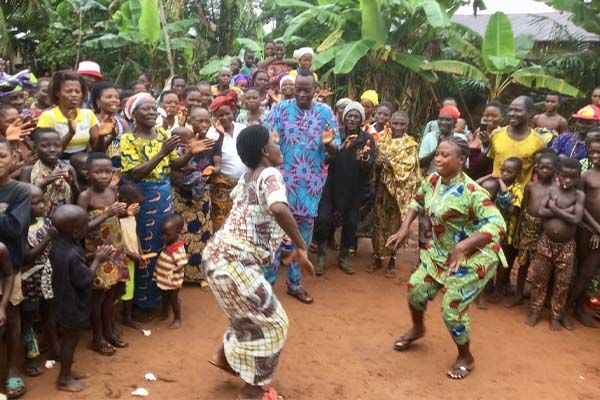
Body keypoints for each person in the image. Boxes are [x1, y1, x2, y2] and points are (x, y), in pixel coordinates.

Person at [203, 125, 316, 400]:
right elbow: (278, 207)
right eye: (275, 142)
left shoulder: (248, 177)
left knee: (246, 315)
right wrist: (302, 245)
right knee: (275, 323)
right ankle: (253, 391)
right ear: (265, 150)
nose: (279, 147)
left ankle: (225, 358)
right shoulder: (270, 174)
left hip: (216, 258)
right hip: (235, 263)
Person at [387, 137, 506, 380]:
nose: (438, 159)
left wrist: (464, 246)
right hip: (440, 252)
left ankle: (466, 357)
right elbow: (417, 201)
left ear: (461, 160)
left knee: (451, 309)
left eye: (444, 155)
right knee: (415, 289)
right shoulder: (433, 180)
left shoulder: (473, 192)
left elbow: (498, 225)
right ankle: (418, 328)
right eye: (437, 154)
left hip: (474, 259)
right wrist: (403, 229)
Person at [264, 71, 339, 304]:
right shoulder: (280, 109)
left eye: (308, 90)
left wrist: (329, 146)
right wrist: (271, 140)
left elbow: (335, 148)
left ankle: (294, 284)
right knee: (275, 235)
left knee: (302, 235)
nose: (303, 94)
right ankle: (267, 286)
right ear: (293, 88)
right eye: (299, 89)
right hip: (281, 182)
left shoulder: (325, 113)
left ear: (315, 89)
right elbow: (266, 138)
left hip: (311, 184)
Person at [120, 92, 182, 313]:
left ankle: (161, 297)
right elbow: (135, 174)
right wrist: (162, 152)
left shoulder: (163, 132)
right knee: (145, 247)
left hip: (164, 194)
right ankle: (142, 301)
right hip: (143, 197)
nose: (152, 112)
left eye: (154, 109)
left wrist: (191, 153)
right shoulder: (128, 139)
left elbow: (175, 163)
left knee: (163, 243)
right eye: (145, 109)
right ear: (133, 114)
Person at [50, 204, 113, 392]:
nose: (89, 228)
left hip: (61, 300)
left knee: (70, 339)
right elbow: (85, 279)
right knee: (71, 340)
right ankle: (64, 379)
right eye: (86, 226)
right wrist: (97, 260)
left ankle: (68, 371)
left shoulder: (61, 244)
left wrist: (93, 255)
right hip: (72, 305)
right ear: (76, 232)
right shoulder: (70, 253)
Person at [313, 102, 375, 275]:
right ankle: (321, 255)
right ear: (344, 118)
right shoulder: (335, 135)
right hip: (331, 184)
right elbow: (324, 159)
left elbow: (369, 165)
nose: (352, 119)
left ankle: (344, 257)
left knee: (350, 223)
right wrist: (335, 149)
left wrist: (364, 161)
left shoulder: (367, 140)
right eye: (349, 115)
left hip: (354, 188)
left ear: (362, 119)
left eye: (356, 116)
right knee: (323, 219)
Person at [77, 152, 129, 355]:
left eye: (107, 171)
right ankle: (97, 338)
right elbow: (81, 229)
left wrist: (123, 211)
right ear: (87, 174)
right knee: (97, 298)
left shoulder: (113, 191)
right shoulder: (85, 196)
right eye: (98, 172)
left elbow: (116, 220)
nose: (103, 176)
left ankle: (108, 331)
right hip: (97, 254)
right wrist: (106, 213)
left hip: (116, 250)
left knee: (112, 295)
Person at [526, 158, 584, 331]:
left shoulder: (579, 195)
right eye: (565, 176)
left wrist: (556, 209)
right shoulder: (552, 190)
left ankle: (556, 316)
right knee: (539, 278)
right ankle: (535, 311)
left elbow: (577, 218)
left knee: (562, 283)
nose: (568, 180)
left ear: (578, 177)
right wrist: (566, 211)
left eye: (572, 177)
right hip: (546, 242)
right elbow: (541, 211)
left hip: (566, 246)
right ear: (558, 175)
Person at [368, 111, 420, 277]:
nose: (398, 127)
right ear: (390, 123)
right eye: (395, 123)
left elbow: (409, 169)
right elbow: (374, 163)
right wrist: (377, 163)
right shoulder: (382, 142)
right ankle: (378, 256)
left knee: (395, 225)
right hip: (381, 190)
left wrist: (389, 164)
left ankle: (392, 259)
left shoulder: (411, 146)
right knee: (378, 223)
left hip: (399, 194)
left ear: (407, 125)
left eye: (402, 124)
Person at [170, 118, 221, 286]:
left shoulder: (209, 143)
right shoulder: (176, 150)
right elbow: (175, 169)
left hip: (200, 200)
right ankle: (181, 274)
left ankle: (200, 275)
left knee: (202, 237)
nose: (193, 139)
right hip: (181, 197)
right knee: (181, 235)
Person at [0, 136, 32, 398]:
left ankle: (12, 370)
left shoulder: (20, 191)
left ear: (13, 159)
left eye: (1, 156)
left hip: (9, 267)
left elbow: (14, 228)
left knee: (10, 316)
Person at [505, 151, 558, 308]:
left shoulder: (556, 189)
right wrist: (516, 233)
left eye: (549, 168)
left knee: (544, 266)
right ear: (536, 168)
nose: (544, 171)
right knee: (523, 263)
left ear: (555, 169)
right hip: (527, 228)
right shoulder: (530, 186)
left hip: (545, 230)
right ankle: (519, 293)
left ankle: (540, 298)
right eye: (541, 168)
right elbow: (523, 210)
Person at [20, 184, 59, 377]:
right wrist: (47, 239)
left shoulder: (45, 222)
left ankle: (54, 349)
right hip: (28, 283)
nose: (41, 205)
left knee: (48, 314)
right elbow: (27, 257)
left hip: (47, 278)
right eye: (34, 202)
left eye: (42, 200)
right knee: (28, 320)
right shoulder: (18, 228)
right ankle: (30, 358)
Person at [563, 137, 600, 328]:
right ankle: (566, 310)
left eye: (599, 152)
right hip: (586, 228)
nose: (595, 156)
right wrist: (597, 229)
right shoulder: (586, 176)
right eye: (592, 152)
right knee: (583, 270)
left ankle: (577, 308)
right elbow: (582, 206)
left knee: (588, 271)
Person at [476, 157, 523, 304]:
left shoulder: (518, 189)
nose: (504, 174)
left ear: (518, 173)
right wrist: (490, 176)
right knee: (487, 257)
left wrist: (501, 182)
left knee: (502, 260)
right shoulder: (493, 183)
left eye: (509, 171)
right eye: (503, 170)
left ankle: (498, 289)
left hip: (507, 229)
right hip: (490, 228)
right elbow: (474, 185)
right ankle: (485, 289)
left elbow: (510, 207)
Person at [481, 96, 545, 189]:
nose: (511, 113)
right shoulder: (496, 134)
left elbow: (539, 173)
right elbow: (488, 163)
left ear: (530, 113)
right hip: (494, 191)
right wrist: (485, 145)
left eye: (517, 110)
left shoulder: (538, 142)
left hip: (519, 197)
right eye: (510, 110)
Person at [37, 70, 100, 158]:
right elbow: (48, 153)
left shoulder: (88, 114)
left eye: (77, 91)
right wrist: (70, 134)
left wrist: (106, 135)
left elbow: (96, 148)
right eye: (68, 91)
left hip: (83, 164)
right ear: (57, 93)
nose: (74, 95)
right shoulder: (48, 116)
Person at [207, 92, 247, 231]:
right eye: (220, 115)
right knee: (223, 223)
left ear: (233, 113)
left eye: (227, 114)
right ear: (215, 117)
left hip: (243, 184)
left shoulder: (243, 129)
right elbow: (211, 157)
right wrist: (221, 135)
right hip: (223, 187)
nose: (225, 118)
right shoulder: (211, 134)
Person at [20, 128, 78, 216]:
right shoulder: (28, 171)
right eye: (45, 146)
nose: (52, 149)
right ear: (35, 148)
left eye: (57, 146)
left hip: (65, 220)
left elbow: (77, 199)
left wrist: (72, 184)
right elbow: (23, 201)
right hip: (38, 222)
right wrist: (45, 182)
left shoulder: (68, 169)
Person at [117, 182, 145, 330]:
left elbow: (135, 235)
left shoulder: (131, 216)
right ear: (125, 202)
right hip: (120, 260)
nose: (138, 209)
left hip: (132, 259)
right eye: (136, 205)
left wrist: (140, 252)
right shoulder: (117, 219)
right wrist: (132, 254)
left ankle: (126, 317)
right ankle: (115, 319)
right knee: (117, 290)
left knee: (129, 287)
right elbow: (116, 244)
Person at [155, 214, 186, 329]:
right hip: (164, 278)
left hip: (173, 280)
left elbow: (182, 263)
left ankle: (177, 318)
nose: (164, 237)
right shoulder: (169, 241)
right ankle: (164, 313)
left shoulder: (178, 247)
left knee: (173, 299)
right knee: (164, 296)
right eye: (163, 234)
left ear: (178, 231)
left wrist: (171, 270)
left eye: (167, 235)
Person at [419, 106, 467, 175]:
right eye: (441, 119)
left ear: (455, 122)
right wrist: (437, 149)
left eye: (447, 120)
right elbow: (420, 164)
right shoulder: (429, 137)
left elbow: (465, 167)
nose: (443, 122)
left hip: (454, 180)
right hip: (432, 179)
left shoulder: (461, 138)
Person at [90, 82, 129, 168]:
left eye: (117, 97)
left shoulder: (122, 122)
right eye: (109, 97)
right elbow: (95, 152)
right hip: (97, 169)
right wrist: (106, 137)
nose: (115, 100)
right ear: (98, 101)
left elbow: (128, 149)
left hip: (119, 169)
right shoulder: (91, 120)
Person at [467, 101, 503, 179]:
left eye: (494, 116)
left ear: (501, 117)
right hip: (469, 173)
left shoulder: (501, 135)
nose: (489, 119)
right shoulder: (478, 131)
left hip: (484, 177)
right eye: (487, 115)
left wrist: (487, 144)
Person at [0, 103, 36, 178]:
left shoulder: (24, 141)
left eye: (19, 120)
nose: (17, 124)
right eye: (11, 121)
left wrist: (35, 134)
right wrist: (24, 167)